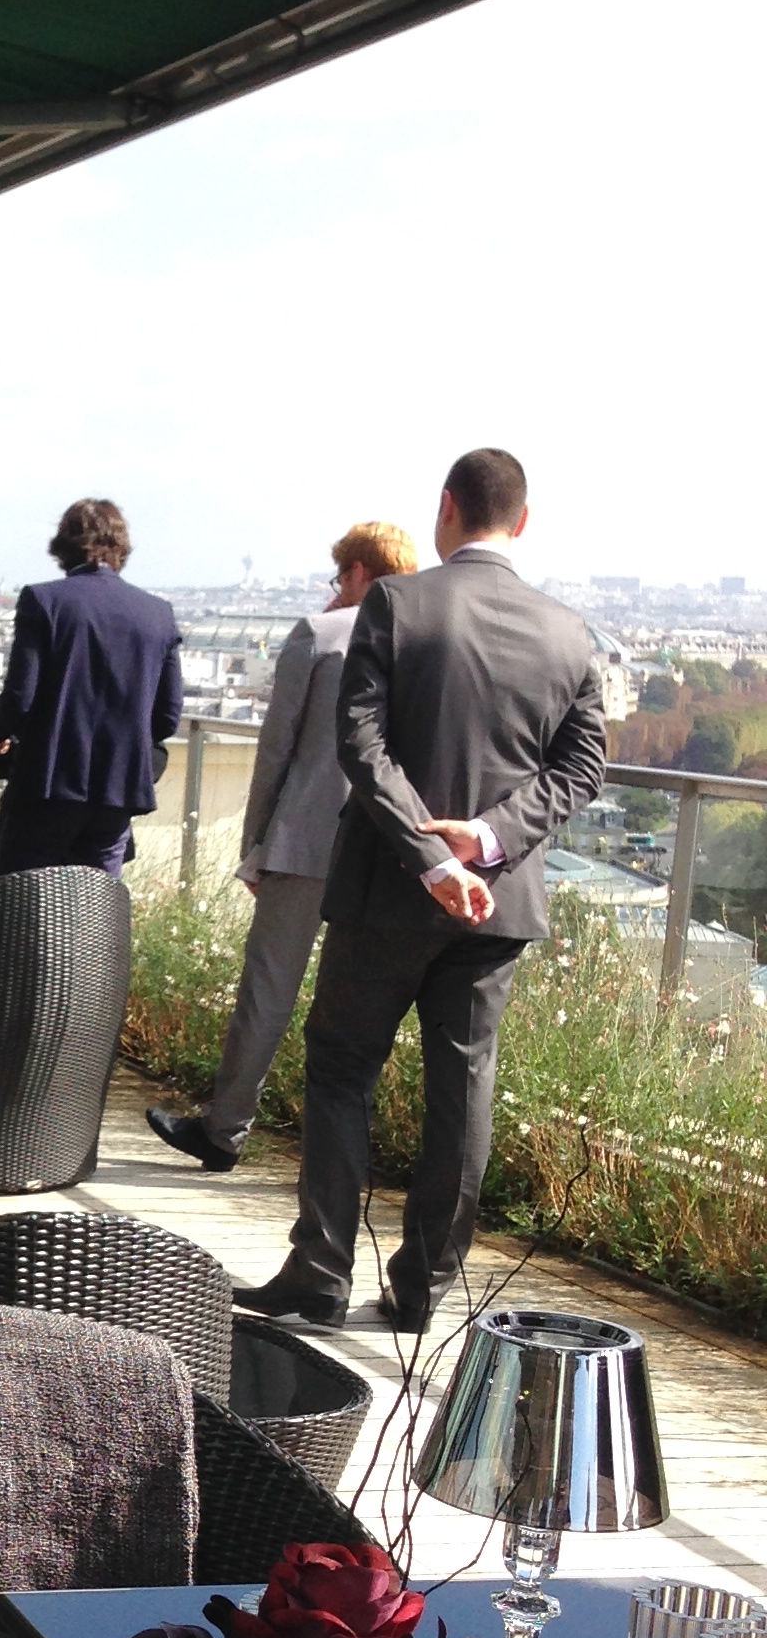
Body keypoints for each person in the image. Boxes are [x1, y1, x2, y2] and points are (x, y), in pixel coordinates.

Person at [235, 448, 606, 1333]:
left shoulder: (398, 604)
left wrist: (430, 854)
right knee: (463, 1089)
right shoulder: (570, 633)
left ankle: (321, 1271)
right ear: (522, 521)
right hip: (498, 902)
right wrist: (489, 839)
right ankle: (421, 1289)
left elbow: (360, 744)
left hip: (387, 894)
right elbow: (583, 767)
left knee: (342, 1069)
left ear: (446, 507)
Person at [146, 518, 418, 1172]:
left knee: (268, 992)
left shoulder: (319, 635)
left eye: (339, 574)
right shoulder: (423, 644)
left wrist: (256, 843)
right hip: (384, 849)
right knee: (361, 1008)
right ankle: (343, 1153)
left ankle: (225, 1131)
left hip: (303, 841)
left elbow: (277, 750)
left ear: (357, 572)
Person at [0, 499, 181, 874]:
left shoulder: (44, 600)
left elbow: (21, 696)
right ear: (121, 548)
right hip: (117, 792)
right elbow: (167, 717)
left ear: (63, 547)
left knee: (20, 901)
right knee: (96, 902)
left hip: (47, 786)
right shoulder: (158, 614)